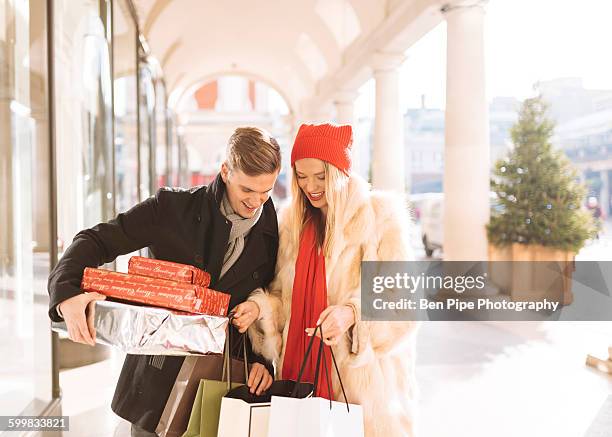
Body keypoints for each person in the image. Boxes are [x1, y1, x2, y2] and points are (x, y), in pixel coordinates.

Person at [47, 127, 280, 437]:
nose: (256, 202)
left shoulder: (271, 227)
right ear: (225, 172)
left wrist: (262, 360)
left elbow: (268, 293)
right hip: (159, 377)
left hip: (225, 379)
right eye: (247, 190)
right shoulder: (173, 208)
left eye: (266, 192)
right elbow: (95, 240)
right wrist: (66, 292)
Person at [232, 123, 418, 437]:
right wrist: (259, 307)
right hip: (301, 379)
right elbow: (283, 298)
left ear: (340, 171)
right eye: (301, 177)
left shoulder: (380, 217)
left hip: (364, 392)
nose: (310, 186)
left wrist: (352, 313)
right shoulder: (292, 223)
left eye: (320, 176)